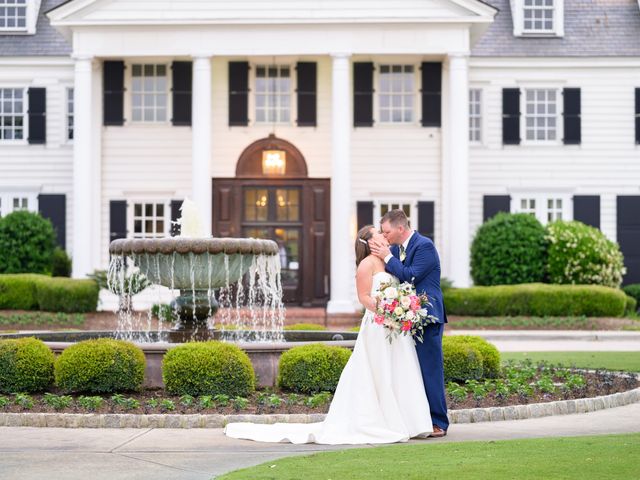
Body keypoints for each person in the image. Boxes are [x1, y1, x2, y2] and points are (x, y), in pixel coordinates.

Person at [223, 225, 433, 444]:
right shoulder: (366, 265)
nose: (383, 234)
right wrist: (386, 310)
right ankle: (382, 421)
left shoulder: (391, 261)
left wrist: (401, 308)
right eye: (378, 233)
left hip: (396, 328)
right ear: (370, 241)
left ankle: (408, 421)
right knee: (378, 370)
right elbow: (363, 297)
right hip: (378, 325)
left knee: (399, 369)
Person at [368, 209, 449, 437]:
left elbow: (411, 275)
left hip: (427, 317)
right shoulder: (394, 249)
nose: (386, 236)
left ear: (400, 228)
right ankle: (415, 420)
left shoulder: (424, 246)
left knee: (429, 370)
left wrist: (387, 257)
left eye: (387, 231)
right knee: (410, 371)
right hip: (404, 318)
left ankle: (438, 422)